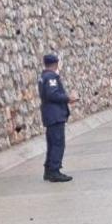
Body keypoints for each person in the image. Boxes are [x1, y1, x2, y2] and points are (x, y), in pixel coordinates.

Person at [38, 53, 78, 182]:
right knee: (58, 144)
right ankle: (54, 171)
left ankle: (48, 170)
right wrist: (68, 98)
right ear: (55, 64)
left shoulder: (43, 77)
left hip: (50, 115)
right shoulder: (51, 77)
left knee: (52, 144)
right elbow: (53, 94)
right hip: (55, 115)